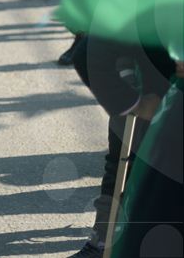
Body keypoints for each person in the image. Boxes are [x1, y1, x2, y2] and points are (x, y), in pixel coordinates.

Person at [69, 36, 177, 258]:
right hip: (151, 92)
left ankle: (105, 240)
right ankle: (105, 240)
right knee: (126, 164)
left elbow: (86, 53)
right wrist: (135, 104)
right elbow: (87, 53)